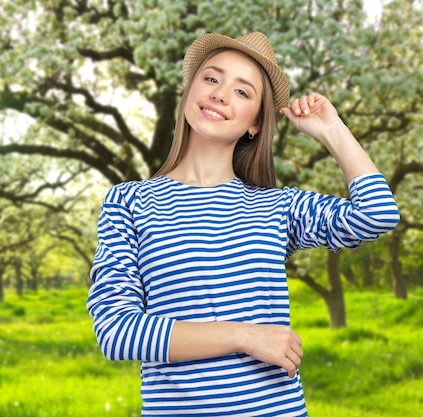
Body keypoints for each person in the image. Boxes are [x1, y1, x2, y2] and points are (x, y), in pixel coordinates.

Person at [87, 32, 400, 416]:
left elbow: (377, 214)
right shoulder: (129, 202)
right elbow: (117, 332)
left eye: (243, 92)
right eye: (212, 79)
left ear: (255, 123)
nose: (220, 94)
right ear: (190, 92)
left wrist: (331, 130)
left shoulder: (274, 207)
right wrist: (245, 336)